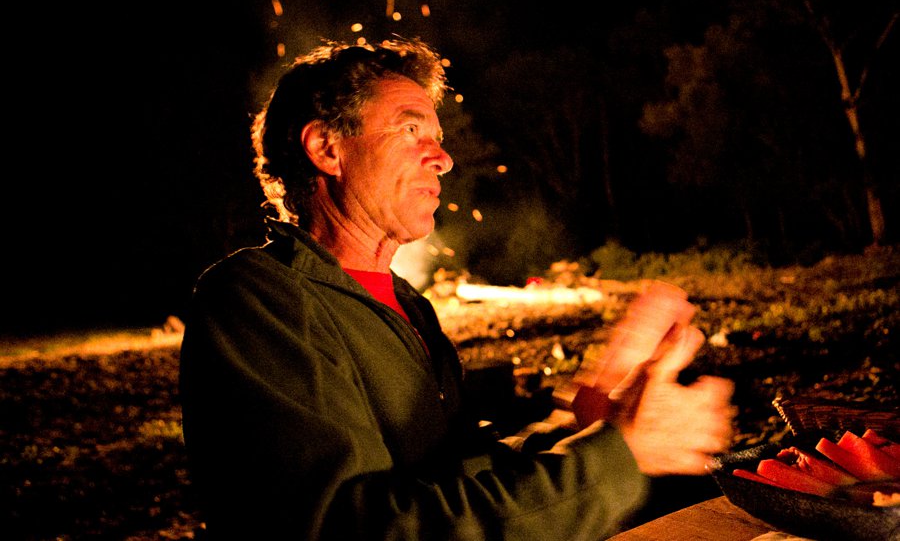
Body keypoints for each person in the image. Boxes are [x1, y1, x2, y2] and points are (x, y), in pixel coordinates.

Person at [179, 38, 736, 540]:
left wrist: (588, 429)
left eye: (438, 139)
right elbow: (352, 527)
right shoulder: (258, 300)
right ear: (327, 148)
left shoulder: (408, 306)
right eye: (410, 131)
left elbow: (456, 473)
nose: (443, 159)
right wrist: (615, 458)